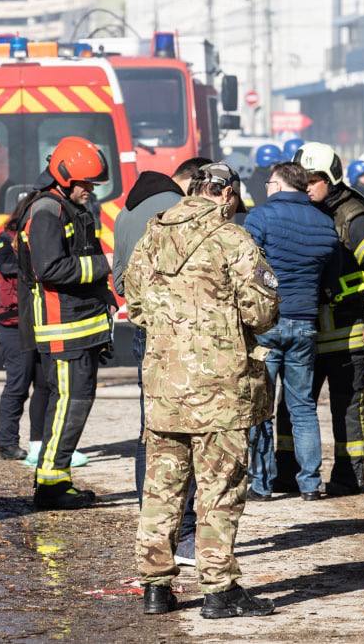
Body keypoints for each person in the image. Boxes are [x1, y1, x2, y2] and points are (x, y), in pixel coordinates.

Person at [125, 162, 278, 619]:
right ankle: (219, 591)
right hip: (221, 388)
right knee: (221, 489)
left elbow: (133, 303)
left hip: (164, 384)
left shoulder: (151, 235)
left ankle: (155, 586)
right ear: (227, 195)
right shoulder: (233, 239)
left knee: (162, 489)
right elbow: (262, 312)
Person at [112, 156, 208, 563]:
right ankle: (185, 533)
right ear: (188, 184)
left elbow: (119, 280)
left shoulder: (125, 214)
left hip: (143, 334)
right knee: (192, 429)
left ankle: (151, 524)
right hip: (186, 335)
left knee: (151, 429)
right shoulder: (180, 212)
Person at [16, 136, 117, 511]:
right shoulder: (46, 211)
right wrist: (106, 265)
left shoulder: (65, 207)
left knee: (76, 402)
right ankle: (51, 485)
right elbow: (50, 268)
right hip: (61, 325)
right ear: (63, 177)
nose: (90, 191)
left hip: (80, 324)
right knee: (69, 403)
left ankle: (56, 480)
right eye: (86, 185)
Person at [296, 142, 364, 494]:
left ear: (332, 178)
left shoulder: (354, 217)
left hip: (348, 329)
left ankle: (349, 476)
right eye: (302, 180)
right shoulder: (306, 212)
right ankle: (284, 473)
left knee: (347, 407)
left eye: (315, 179)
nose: (307, 186)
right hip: (308, 330)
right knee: (293, 404)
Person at [244, 160, 339, 501]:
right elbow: (331, 277)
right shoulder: (325, 223)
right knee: (303, 407)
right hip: (304, 323)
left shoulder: (260, 217)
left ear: (281, 185)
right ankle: (311, 483)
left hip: (267, 323)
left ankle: (261, 482)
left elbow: (246, 267)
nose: (265, 188)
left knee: (261, 408)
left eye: (269, 183)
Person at [0, 192, 53, 464]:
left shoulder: (39, 238)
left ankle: (40, 445)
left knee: (44, 385)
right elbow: (5, 264)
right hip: (15, 325)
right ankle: (7, 444)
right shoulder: (6, 238)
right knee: (18, 386)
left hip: (41, 322)